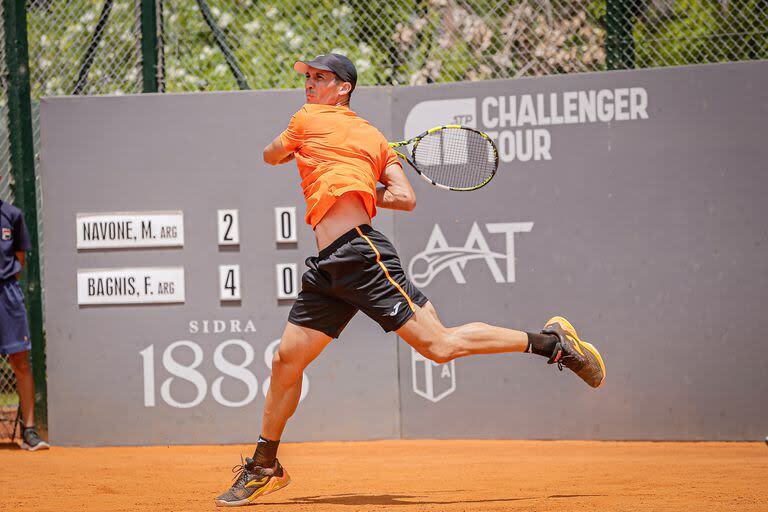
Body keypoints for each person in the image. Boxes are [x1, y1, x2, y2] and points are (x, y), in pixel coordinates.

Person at [215, 53, 604, 506]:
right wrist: (360, 171)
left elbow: (272, 155)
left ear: (344, 88)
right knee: (286, 360)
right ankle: (265, 464)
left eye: (320, 78)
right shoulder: (377, 141)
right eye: (308, 77)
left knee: (440, 346)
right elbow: (402, 196)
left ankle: (552, 342)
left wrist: (351, 174)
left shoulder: (310, 120)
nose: (310, 84)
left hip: (362, 255)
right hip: (328, 266)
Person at [0, 179, 48, 451]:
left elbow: (20, 259)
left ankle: (29, 431)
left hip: (7, 294)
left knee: (20, 361)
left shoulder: (13, 215)